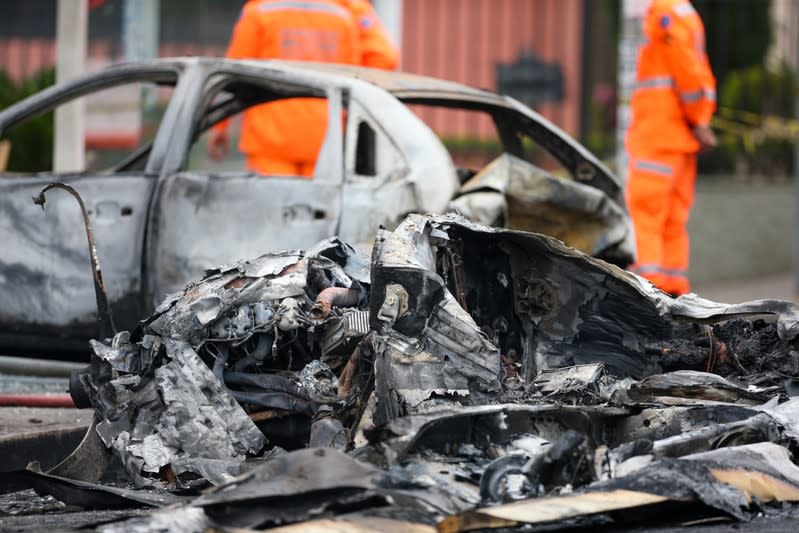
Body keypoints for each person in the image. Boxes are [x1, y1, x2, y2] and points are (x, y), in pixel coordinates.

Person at [208, 0, 398, 177]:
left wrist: (220, 127)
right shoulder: (347, 10)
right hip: (325, 139)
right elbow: (384, 58)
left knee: (271, 209)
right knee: (319, 210)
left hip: (271, 140)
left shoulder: (261, 8)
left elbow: (234, 71)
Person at [625, 0, 717, 296]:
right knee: (673, 220)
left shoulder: (665, 12)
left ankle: (649, 292)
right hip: (677, 138)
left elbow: (685, 68)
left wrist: (698, 117)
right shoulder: (683, 13)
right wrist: (699, 119)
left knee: (647, 216)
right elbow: (694, 70)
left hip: (658, 136)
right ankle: (674, 290)